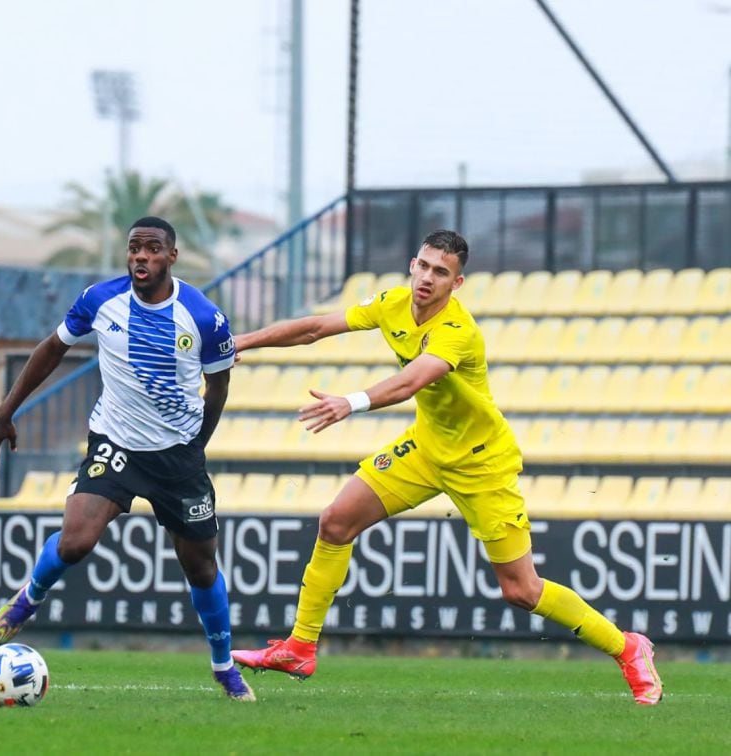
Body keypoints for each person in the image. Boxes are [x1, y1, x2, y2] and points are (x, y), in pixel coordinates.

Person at [230, 230, 663, 706]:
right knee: (336, 521)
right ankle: (299, 648)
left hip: (481, 463)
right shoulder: (392, 303)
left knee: (521, 590)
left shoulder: (458, 330)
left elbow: (411, 381)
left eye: (440, 272)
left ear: (456, 284)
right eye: (423, 266)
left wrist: (350, 402)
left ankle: (628, 648)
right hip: (426, 447)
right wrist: (240, 342)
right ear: (412, 265)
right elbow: (316, 327)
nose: (427, 278)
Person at [0, 216, 255, 701]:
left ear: (172, 256)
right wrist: (6, 410)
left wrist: (198, 444)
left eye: (152, 249)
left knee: (201, 567)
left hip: (177, 455)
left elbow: (219, 386)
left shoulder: (203, 317)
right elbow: (52, 348)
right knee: (75, 542)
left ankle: (223, 665)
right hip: (116, 441)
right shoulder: (99, 299)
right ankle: (29, 597)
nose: (141, 257)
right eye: (134, 248)